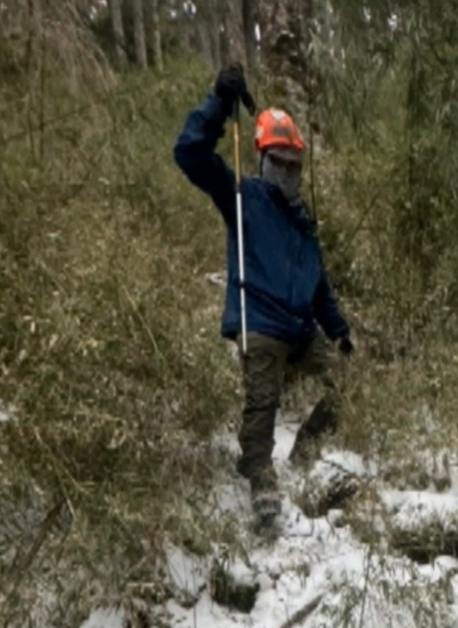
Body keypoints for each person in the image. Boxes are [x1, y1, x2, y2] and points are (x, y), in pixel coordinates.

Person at [173, 63, 353, 529]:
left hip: (300, 327)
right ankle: (258, 472)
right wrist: (218, 101)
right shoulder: (242, 196)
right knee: (263, 401)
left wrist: (340, 332)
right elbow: (189, 153)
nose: (287, 172)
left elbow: (320, 287)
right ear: (262, 159)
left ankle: (303, 455)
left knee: (351, 386)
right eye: (278, 161)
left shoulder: (303, 221)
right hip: (260, 322)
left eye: (294, 165)